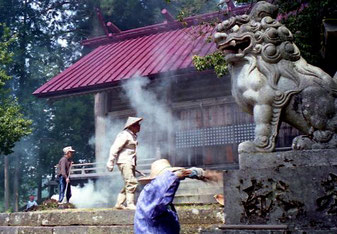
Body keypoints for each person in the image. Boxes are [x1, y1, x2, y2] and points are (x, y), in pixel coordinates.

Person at [134, 159, 208, 234]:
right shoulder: (150, 191)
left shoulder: (158, 196)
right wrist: (176, 175)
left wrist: (193, 173)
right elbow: (161, 183)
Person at [106, 116, 143, 210]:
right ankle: (130, 204)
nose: (139, 126)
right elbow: (115, 148)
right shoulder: (124, 135)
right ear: (131, 126)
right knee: (131, 182)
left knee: (128, 183)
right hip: (124, 161)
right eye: (137, 125)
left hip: (130, 162)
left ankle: (119, 203)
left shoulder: (133, 136)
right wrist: (110, 162)